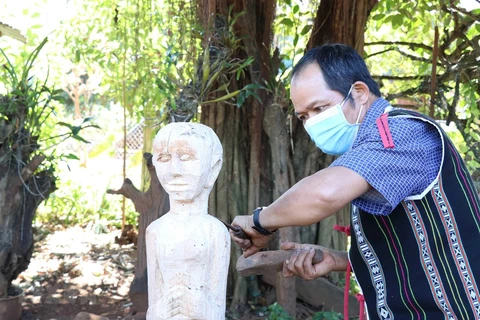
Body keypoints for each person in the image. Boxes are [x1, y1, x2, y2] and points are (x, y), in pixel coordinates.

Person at [230, 44, 480, 319]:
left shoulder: (401, 132)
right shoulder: (370, 151)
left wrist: (259, 222)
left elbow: (324, 194)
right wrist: (336, 259)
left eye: (319, 108)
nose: (312, 123)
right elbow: (414, 247)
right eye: (304, 116)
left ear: (359, 93)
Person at [146, 122, 229, 320]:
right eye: (164, 158)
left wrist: (200, 308)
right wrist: (160, 310)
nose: (175, 169)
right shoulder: (155, 231)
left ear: (213, 167)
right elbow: (153, 301)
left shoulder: (214, 231)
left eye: (186, 157)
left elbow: (218, 308)